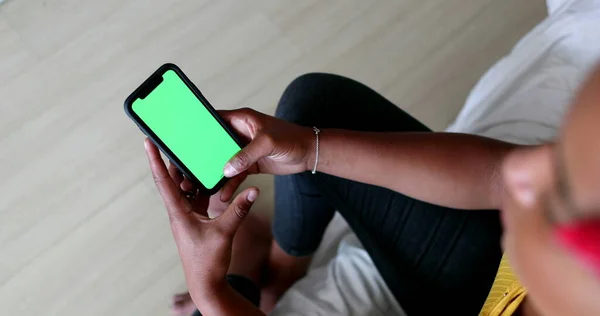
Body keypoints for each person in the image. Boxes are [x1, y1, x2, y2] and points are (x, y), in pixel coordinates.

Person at [145, 0, 600, 315]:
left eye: (560, 197)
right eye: (556, 160)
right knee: (311, 108)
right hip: (498, 281)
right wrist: (309, 149)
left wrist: (212, 293)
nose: (523, 164)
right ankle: (276, 275)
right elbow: (500, 175)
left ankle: (247, 270)